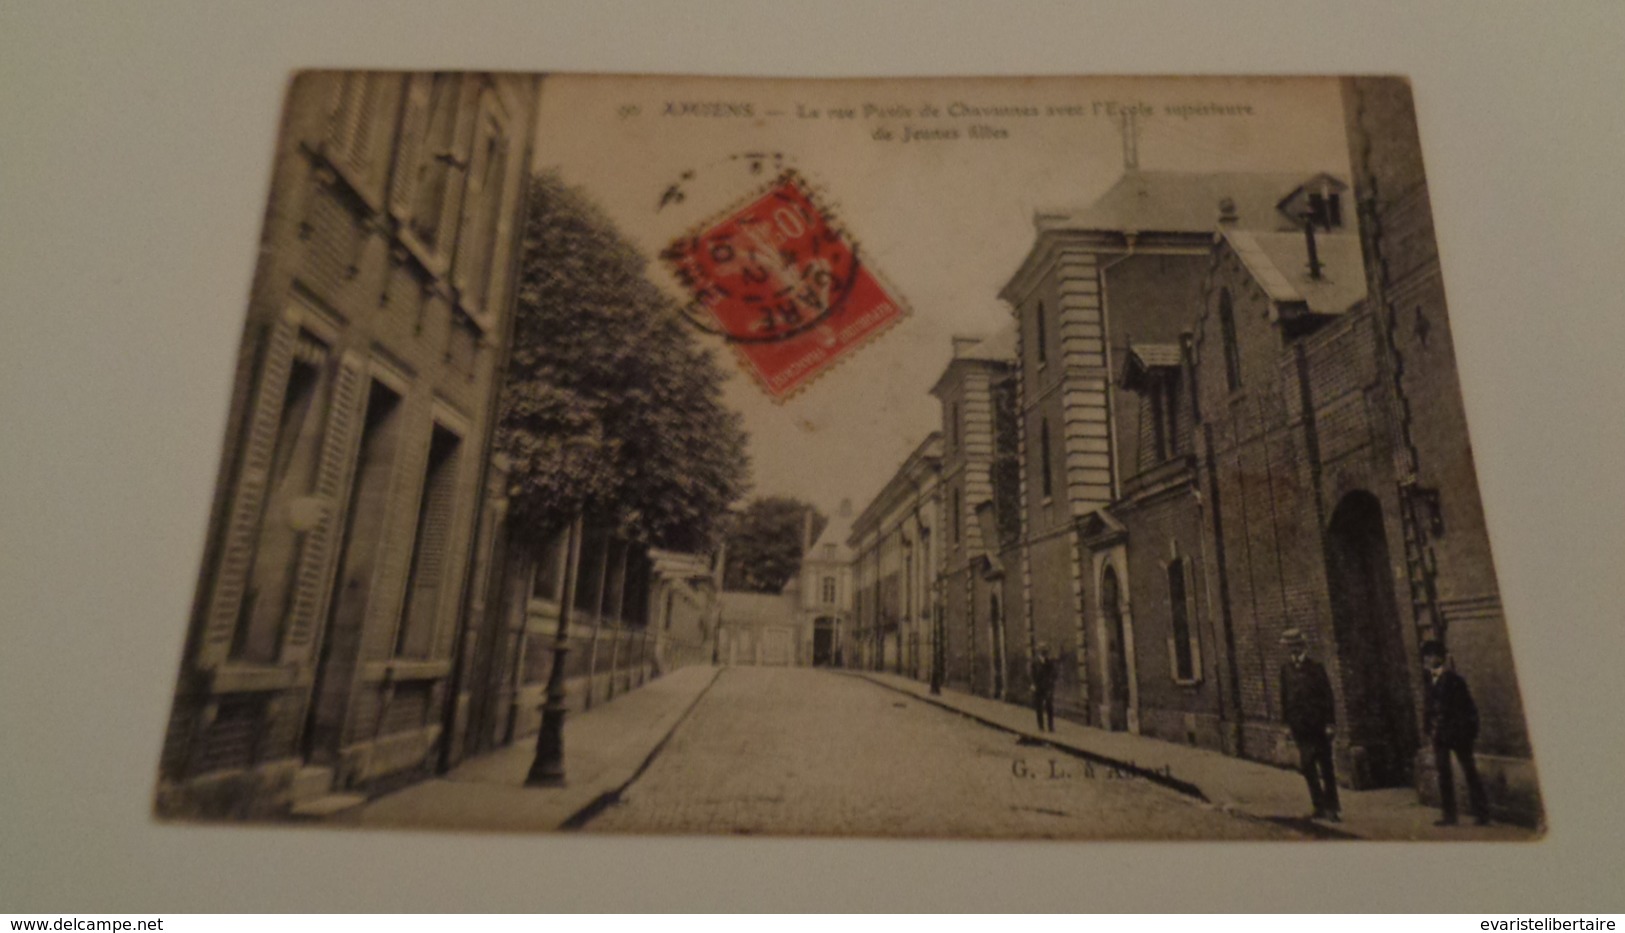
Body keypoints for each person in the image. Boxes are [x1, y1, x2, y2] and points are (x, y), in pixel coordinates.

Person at [1421, 640, 1490, 826]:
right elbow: (1428, 706)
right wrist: (1428, 727)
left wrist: (1467, 731)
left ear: (1439, 657)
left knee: (1469, 771)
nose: (1426, 660)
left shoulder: (1455, 680)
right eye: (1425, 656)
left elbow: (1466, 708)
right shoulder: (1429, 679)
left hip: (1458, 734)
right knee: (1444, 774)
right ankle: (1449, 816)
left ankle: (1482, 813)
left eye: (1430, 656)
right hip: (1440, 735)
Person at [1278, 628, 1340, 822]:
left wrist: (1330, 723)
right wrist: (1286, 724)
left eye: (1294, 646)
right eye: (1289, 647)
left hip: (1318, 726)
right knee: (1307, 767)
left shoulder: (1316, 668)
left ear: (1301, 646)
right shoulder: (1285, 669)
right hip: (1299, 727)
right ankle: (1318, 805)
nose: (1291, 650)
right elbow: (1284, 698)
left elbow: (1327, 697)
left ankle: (1332, 808)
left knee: (1326, 766)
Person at [1031, 643, 1057, 733]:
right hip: (1038, 687)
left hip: (1047, 687)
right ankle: (1041, 726)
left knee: (1049, 706)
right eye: (1042, 651)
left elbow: (1053, 673)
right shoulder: (1035, 662)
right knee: (1039, 707)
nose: (1044, 653)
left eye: (1045, 651)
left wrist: (1051, 683)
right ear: (1039, 652)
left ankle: (1051, 726)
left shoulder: (1049, 662)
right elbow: (1032, 674)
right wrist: (1033, 684)